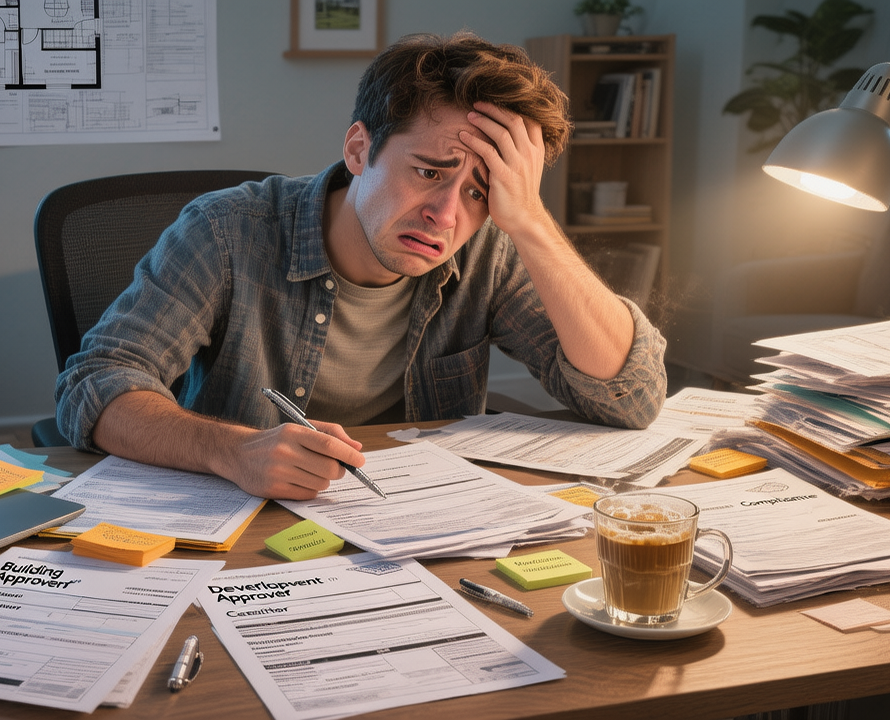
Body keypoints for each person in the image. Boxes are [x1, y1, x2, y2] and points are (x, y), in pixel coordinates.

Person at [55, 31, 667, 500]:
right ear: (358, 149)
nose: (445, 215)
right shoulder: (227, 230)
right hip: (248, 526)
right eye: (429, 172)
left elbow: (630, 399)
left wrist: (531, 221)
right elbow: (96, 385)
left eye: (481, 191)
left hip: (418, 526)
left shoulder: (492, 248)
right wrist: (233, 452)